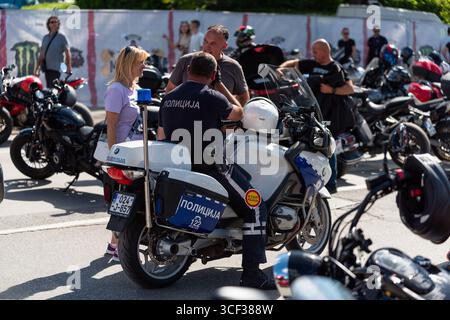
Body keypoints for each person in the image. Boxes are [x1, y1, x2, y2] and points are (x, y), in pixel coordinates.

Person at [158, 52, 275, 290]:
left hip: (176, 166)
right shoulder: (212, 96)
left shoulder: (168, 98)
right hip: (211, 166)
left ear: (188, 70)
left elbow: (161, 135)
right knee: (255, 207)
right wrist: (220, 84)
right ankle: (252, 274)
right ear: (212, 75)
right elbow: (240, 113)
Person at [279, 39, 355, 194]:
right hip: (311, 111)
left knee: (327, 145)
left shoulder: (336, 68)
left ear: (325, 51)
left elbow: (350, 88)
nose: (313, 54)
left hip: (328, 113)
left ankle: (331, 184)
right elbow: (294, 63)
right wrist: (281, 69)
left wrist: (331, 90)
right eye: (312, 51)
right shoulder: (312, 64)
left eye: (316, 51)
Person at [104, 46, 149, 262]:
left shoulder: (134, 88)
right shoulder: (117, 90)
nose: (144, 66)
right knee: (124, 201)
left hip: (138, 155)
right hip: (123, 155)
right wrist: (114, 156)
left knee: (131, 201)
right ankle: (116, 246)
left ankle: (114, 245)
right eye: (141, 62)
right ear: (128, 64)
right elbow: (111, 124)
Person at [166, 24, 250, 107]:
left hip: (221, 119)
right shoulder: (185, 61)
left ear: (224, 46)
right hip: (188, 118)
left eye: (213, 43)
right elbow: (170, 90)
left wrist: (233, 117)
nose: (207, 47)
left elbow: (244, 98)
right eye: (205, 41)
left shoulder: (233, 66)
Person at [34, 16, 72, 87]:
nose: (54, 23)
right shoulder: (45, 38)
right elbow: (42, 55)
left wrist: (69, 67)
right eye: (52, 22)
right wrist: (37, 69)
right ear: (48, 24)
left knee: (55, 88)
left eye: (56, 22)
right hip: (47, 68)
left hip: (57, 68)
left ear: (58, 24)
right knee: (50, 88)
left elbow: (67, 52)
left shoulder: (62, 37)